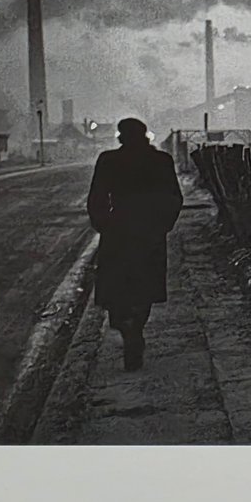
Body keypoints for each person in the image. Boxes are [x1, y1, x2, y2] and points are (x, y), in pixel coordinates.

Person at [87, 118, 183, 370]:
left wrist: (104, 224)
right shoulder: (161, 161)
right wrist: (162, 225)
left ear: (121, 137)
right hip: (149, 233)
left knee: (116, 287)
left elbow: (96, 198)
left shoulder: (109, 160)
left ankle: (127, 330)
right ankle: (135, 329)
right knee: (145, 287)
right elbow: (174, 197)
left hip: (118, 232)